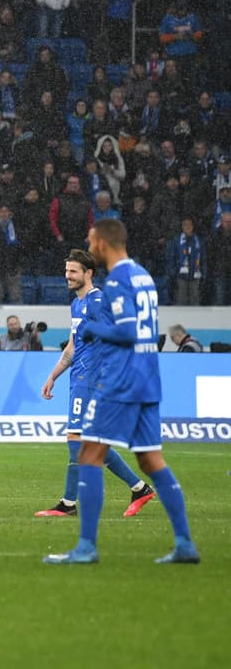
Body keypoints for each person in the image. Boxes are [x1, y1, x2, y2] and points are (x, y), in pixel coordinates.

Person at [45, 219, 199, 565]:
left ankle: (86, 547)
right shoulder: (143, 276)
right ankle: (185, 543)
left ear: (101, 241)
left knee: (88, 454)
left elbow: (126, 331)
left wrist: (91, 329)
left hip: (120, 378)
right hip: (147, 375)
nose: (91, 244)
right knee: (150, 459)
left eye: (91, 240)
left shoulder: (117, 281)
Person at [38, 250, 156, 519]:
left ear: (88, 273)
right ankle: (139, 488)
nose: (68, 276)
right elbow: (71, 347)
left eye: (73, 271)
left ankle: (68, 503)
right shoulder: (76, 305)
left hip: (92, 381)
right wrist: (53, 375)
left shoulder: (98, 301)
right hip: (77, 378)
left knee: (75, 440)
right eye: (66, 271)